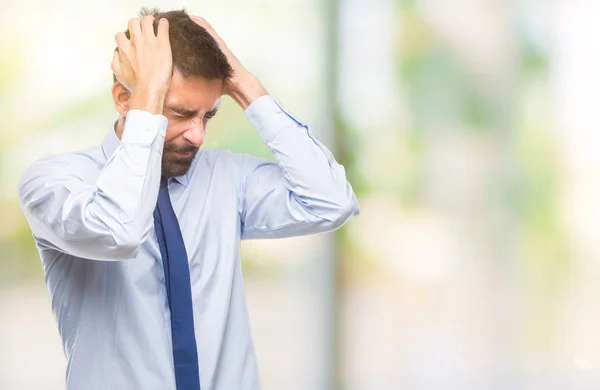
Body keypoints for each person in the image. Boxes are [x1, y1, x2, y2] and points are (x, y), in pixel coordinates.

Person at [17, 8, 359, 390]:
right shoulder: (55, 181)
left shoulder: (227, 178)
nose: (197, 135)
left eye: (207, 115)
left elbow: (331, 201)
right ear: (124, 99)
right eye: (180, 113)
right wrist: (148, 97)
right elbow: (119, 231)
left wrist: (246, 86)